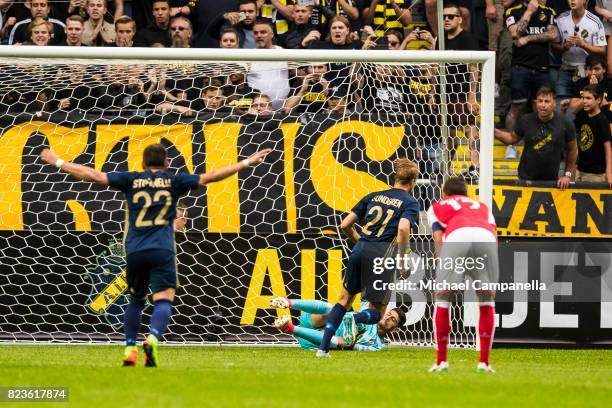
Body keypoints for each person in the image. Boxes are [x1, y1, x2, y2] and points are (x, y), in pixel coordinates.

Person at [39, 143, 272, 367]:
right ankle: (152, 339)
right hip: (162, 249)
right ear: (167, 163)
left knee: (136, 300)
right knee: (163, 299)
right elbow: (211, 176)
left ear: (142, 162)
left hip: (136, 249)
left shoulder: (131, 179)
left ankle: (130, 348)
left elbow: (94, 175)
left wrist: (58, 161)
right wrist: (247, 162)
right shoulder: (173, 180)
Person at [315, 159, 420, 358]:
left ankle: (323, 349)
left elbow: (345, 224)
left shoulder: (374, 196)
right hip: (381, 255)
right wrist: (403, 259)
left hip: (361, 248)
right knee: (378, 313)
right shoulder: (410, 202)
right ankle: (354, 317)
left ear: (395, 177)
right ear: (413, 180)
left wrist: (360, 243)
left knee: (344, 300)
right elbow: (404, 228)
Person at [426, 176, 498, 373]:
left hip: (458, 236)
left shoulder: (438, 205)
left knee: (442, 298)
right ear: (466, 192)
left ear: (445, 193)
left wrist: (443, 265)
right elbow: (494, 234)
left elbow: (438, 236)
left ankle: (442, 362)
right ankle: (484, 362)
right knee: (486, 300)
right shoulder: (482, 206)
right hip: (486, 240)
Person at [494, 87, 578, 189]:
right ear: (536, 103)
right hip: (525, 179)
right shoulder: (526, 120)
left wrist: (567, 175)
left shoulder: (565, 123)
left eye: (547, 101)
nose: (543, 105)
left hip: (552, 181)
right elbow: (511, 138)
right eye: (540, 101)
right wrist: (492, 130)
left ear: (554, 103)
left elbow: (573, 150)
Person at [504, 0, 557, 159]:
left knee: (541, 107)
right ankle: (511, 145)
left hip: (542, 68)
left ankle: (540, 144)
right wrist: (529, 12)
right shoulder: (512, 11)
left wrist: (528, 38)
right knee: (517, 107)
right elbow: (515, 33)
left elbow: (552, 34)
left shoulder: (548, 11)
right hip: (520, 67)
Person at [270, 297, 406, 351]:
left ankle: (290, 328)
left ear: (395, 330)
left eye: (393, 320)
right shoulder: (370, 314)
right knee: (335, 309)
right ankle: (289, 303)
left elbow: (351, 347)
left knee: (346, 343)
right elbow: (368, 293)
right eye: (389, 314)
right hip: (314, 320)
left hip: (314, 341)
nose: (388, 318)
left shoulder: (376, 346)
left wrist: (349, 341)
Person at [552, 0, 607, 113]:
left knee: (582, 106)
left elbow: (602, 50)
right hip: (565, 68)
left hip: (584, 70)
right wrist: (564, 47)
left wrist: (583, 44)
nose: (572, 0)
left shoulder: (595, 21)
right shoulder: (560, 19)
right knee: (561, 105)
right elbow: (553, 45)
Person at [573, 84, 612, 186]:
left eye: (588, 98)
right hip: (580, 170)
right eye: (583, 98)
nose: (584, 101)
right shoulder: (583, 116)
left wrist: (609, 173)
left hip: (595, 174)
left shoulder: (602, 120)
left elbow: (608, 148)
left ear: (598, 100)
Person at [247, 19, 290, 110]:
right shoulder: (248, 55)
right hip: (256, 110)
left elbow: (298, 74)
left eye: (263, 32)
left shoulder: (283, 53)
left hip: (282, 111)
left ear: (272, 34)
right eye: (255, 33)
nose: (259, 35)